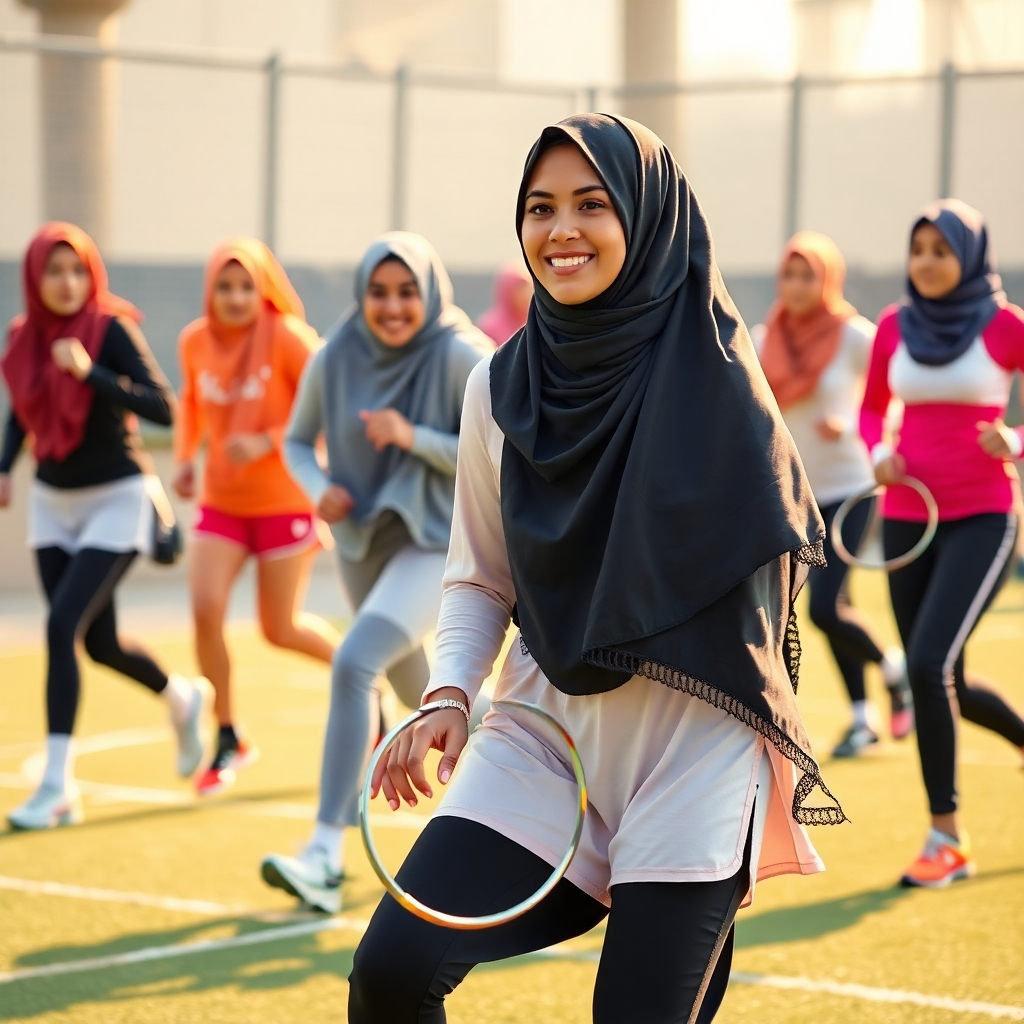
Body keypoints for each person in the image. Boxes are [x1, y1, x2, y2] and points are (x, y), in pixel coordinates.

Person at [347, 115, 842, 1024]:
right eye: (539, 208)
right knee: (391, 969)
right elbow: (480, 575)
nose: (559, 229)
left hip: (697, 749)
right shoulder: (496, 386)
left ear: (647, 217)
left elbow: (762, 596)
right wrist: (450, 693)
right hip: (544, 736)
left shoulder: (720, 378)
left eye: (590, 204)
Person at [258, 232, 489, 913]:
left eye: (407, 291)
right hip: (362, 545)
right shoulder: (335, 355)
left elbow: (506, 436)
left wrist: (410, 435)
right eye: (379, 292)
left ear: (430, 292)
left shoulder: (457, 354)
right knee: (428, 694)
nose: (392, 307)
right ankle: (527, 807)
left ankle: (324, 856)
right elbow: (297, 441)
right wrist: (315, 487)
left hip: (437, 544)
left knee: (353, 661)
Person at [0, 222, 208, 831]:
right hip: (53, 502)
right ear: (34, 280)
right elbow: (24, 410)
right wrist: (5, 468)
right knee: (99, 642)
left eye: (77, 270)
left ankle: (58, 788)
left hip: (117, 495)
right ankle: (182, 696)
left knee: (61, 625)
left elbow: (163, 407)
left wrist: (91, 372)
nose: (67, 283)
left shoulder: (110, 327)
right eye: (53, 272)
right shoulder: (24, 338)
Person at [861, 199, 1024, 887]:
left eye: (940, 249)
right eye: (918, 249)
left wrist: (1015, 440)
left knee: (927, 663)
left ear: (971, 255)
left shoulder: (1007, 325)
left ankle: (945, 840)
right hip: (906, 516)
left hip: (983, 514)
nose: (926, 262)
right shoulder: (895, 325)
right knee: (940, 673)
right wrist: (879, 453)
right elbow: (872, 410)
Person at [173, 238, 337, 796]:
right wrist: (184, 460)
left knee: (279, 629)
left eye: (247, 285)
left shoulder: (288, 338)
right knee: (204, 607)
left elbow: (325, 403)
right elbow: (190, 403)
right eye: (225, 286)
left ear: (263, 288)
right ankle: (226, 733)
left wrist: (267, 440)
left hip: (284, 503)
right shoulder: (194, 342)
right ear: (210, 291)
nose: (236, 296)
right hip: (222, 502)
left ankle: (364, 681)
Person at [755, 232, 911, 758]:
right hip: (794, 495)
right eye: (789, 274)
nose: (797, 286)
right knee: (832, 606)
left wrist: (852, 426)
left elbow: (895, 401)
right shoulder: (764, 338)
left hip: (851, 487)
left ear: (829, 278)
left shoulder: (855, 338)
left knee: (824, 607)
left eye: (809, 275)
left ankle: (895, 672)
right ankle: (864, 719)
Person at [476, 260, 533, 346]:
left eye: (527, 288)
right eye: (519, 289)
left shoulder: (536, 322)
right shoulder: (490, 327)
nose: (525, 294)